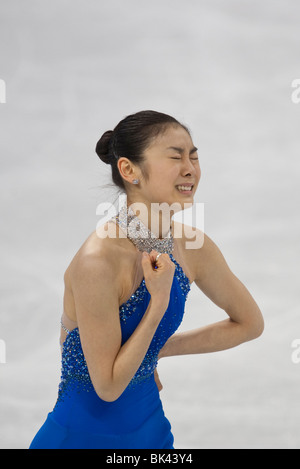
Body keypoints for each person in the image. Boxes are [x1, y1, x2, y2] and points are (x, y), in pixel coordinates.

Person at [29, 110, 264, 449]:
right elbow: (108, 387)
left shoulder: (192, 246)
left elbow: (250, 324)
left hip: (150, 433)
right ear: (129, 170)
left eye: (194, 156)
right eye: (175, 156)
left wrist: (155, 352)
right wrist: (158, 306)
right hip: (81, 438)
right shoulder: (98, 262)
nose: (190, 169)